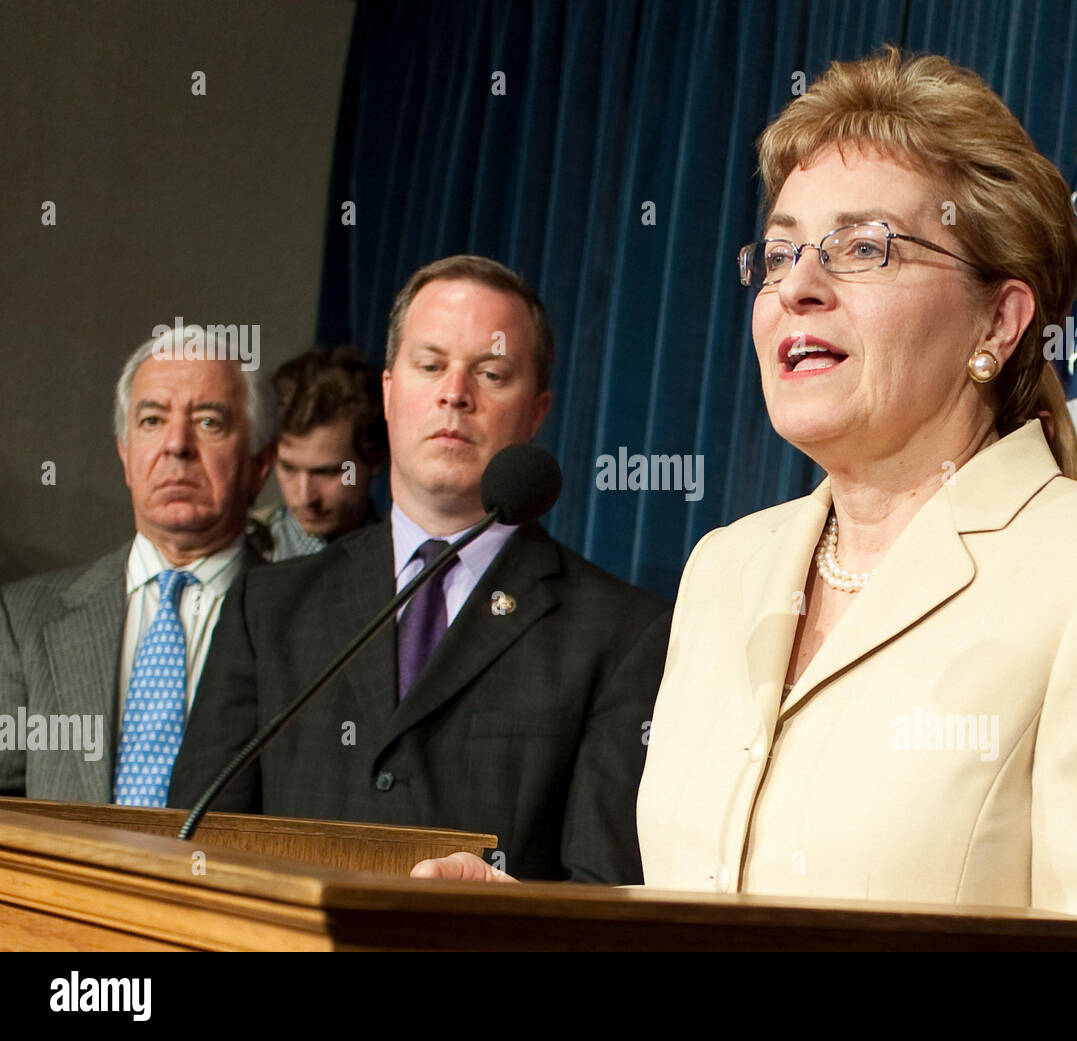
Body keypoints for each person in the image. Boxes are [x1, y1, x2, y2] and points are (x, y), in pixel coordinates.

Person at [415, 50, 1077, 953]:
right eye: (779, 253)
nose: (798, 284)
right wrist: (523, 928)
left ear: (997, 321)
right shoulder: (727, 568)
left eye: (863, 247)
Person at [169, 256, 670, 884]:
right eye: (430, 365)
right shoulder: (268, 608)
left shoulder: (623, 634)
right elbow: (191, 851)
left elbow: (603, 893)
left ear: (537, 412)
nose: (454, 392)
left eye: (491, 373)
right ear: (387, 392)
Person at [0, 326, 275, 804]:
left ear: (260, 462)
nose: (177, 445)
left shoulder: (302, 624)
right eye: (151, 421)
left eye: (209, 422)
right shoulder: (25, 618)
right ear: (125, 455)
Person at [252, 347, 386, 561]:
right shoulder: (243, 556)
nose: (305, 497)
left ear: (375, 458)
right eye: (288, 468)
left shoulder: (404, 562)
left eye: (327, 472)